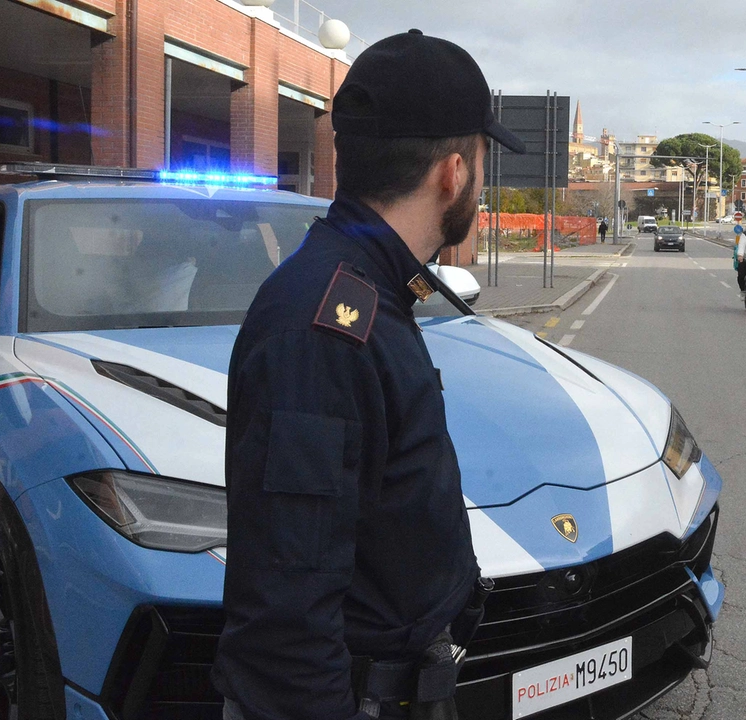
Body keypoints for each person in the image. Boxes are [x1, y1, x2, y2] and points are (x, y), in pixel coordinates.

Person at [212, 29, 525, 720]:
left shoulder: (371, 289)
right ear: (452, 172)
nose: (478, 179)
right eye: (480, 161)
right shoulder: (322, 328)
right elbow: (285, 620)